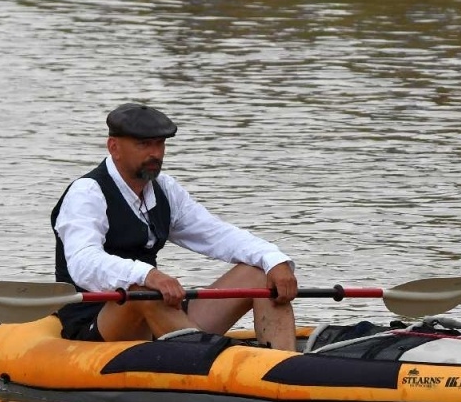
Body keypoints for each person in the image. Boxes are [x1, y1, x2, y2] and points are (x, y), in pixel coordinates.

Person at [50, 103, 300, 350]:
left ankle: (286, 369)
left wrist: (274, 259)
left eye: (160, 144)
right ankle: (202, 360)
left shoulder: (165, 189)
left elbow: (216, 235)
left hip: (156, 310)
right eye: (144, 144)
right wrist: (147, 274)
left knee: (259, 273)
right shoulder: (87, 193)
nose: (155, 154)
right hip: (96, 324)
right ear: (113, 147)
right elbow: (82, 263)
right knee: (141, 288)